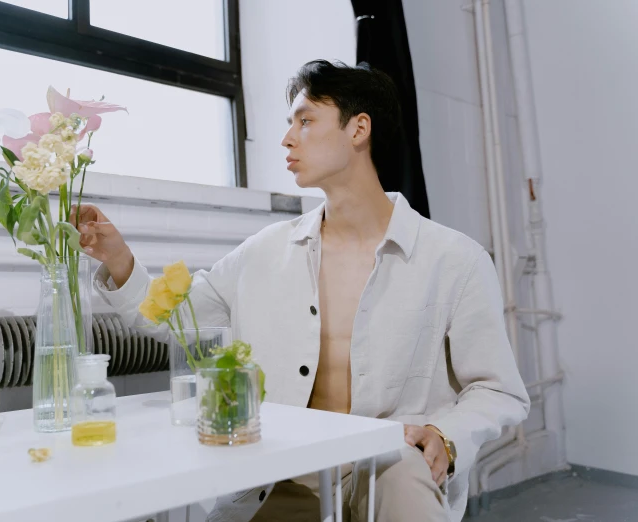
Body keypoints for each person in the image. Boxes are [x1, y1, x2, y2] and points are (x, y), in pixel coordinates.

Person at [71, 60, 529, 522]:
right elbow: (178, 322)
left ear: (359, 129)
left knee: (403, 473)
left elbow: (498, 390)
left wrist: (444, 434)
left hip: (391, 462)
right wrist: (118, 259)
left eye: (306, 120)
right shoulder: (265, 251)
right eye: (290, 123)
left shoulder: (455, 259)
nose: (288, 138)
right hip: (289, 472)